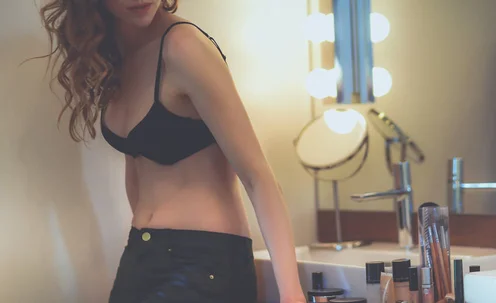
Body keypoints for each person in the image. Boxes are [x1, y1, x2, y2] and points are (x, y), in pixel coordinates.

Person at [38, 0, 306, 302]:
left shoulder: (184, 47)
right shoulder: (115, 58)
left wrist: (291, 293)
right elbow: (137, 171)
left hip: (204, 263)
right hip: (140, 256)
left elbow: (258, 177)